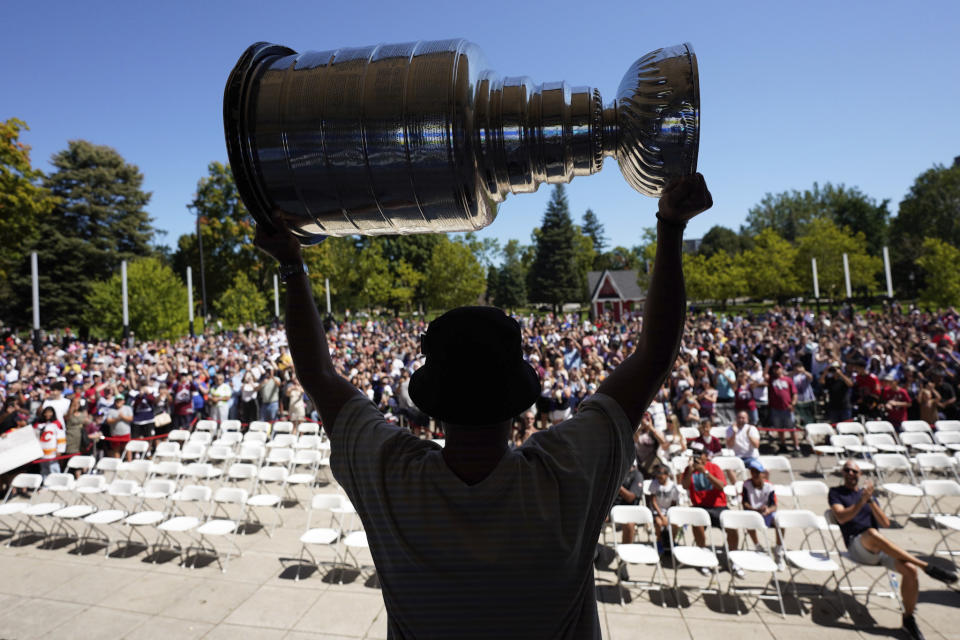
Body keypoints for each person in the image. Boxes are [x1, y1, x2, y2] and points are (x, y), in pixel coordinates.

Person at [255, 173, 712, 638]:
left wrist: (292, 266)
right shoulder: (567, 475)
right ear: (517, 399)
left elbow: (318, 376)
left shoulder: (391, 477)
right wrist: (671, 226)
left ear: (432, 403)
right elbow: (654, 357)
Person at [828, 461, 957, 640]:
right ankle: (926, 566)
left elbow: (885, 523)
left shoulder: (868, 496)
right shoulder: (836, 493)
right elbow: (841, 518)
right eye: (847, 470)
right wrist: (860, 502)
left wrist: (870, 501)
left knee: (910, 571)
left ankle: (908, 619)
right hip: (856, 545)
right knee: (872, 533)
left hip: (879, 548)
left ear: (859, 475)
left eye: (854, 471)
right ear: (842, 473)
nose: (850, 473)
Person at [681, 444, 742, 577]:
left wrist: (705, 472)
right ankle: (703, 557)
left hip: (718, 506)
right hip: (699, 507)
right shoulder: (688, 470)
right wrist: (691, 470)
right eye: (694, 454)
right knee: (697, 525)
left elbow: (721, 487)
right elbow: (685, 485)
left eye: (699, 453)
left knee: (733, 528)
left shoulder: (714, 468)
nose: (697, 457)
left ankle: (733, 558)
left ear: (705, 456)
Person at [740, 459, 783, 566]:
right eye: (752, 471)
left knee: (781, 522)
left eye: (756, 472)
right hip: (753, 513)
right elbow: (745, 504)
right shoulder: (746, 485)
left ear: (762, 474)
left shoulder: (769, 487)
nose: (754, 474)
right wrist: (755, 510)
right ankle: (757, 545)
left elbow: (774, 505)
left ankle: (778, 549)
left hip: (766, 514)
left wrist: (768, 510)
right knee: (748, 521)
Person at [646, 464, 681, 552]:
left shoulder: (673, 487)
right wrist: (662, 516)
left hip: (669, 512)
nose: (659, 476)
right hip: (658, 512)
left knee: (675, 524)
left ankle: (671, 542)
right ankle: (659, 541)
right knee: (658, 523)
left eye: (661, 474)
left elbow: (673, 503)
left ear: (667, 475)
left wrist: (667, 516)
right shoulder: (654, 483)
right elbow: (653, 501)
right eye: (657, 473)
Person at [767, 362, 799, 456]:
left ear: (782, 369)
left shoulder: (788, 380)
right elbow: (764, 376)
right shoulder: (771, 380)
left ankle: (796, 446)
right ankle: (783, 445)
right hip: (776, 408)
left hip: (787, 408)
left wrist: (792, 404)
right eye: (774, 368)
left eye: (778, 368)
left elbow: (795, 393)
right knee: (780, 429)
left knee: (792, 428)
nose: (776, 370)